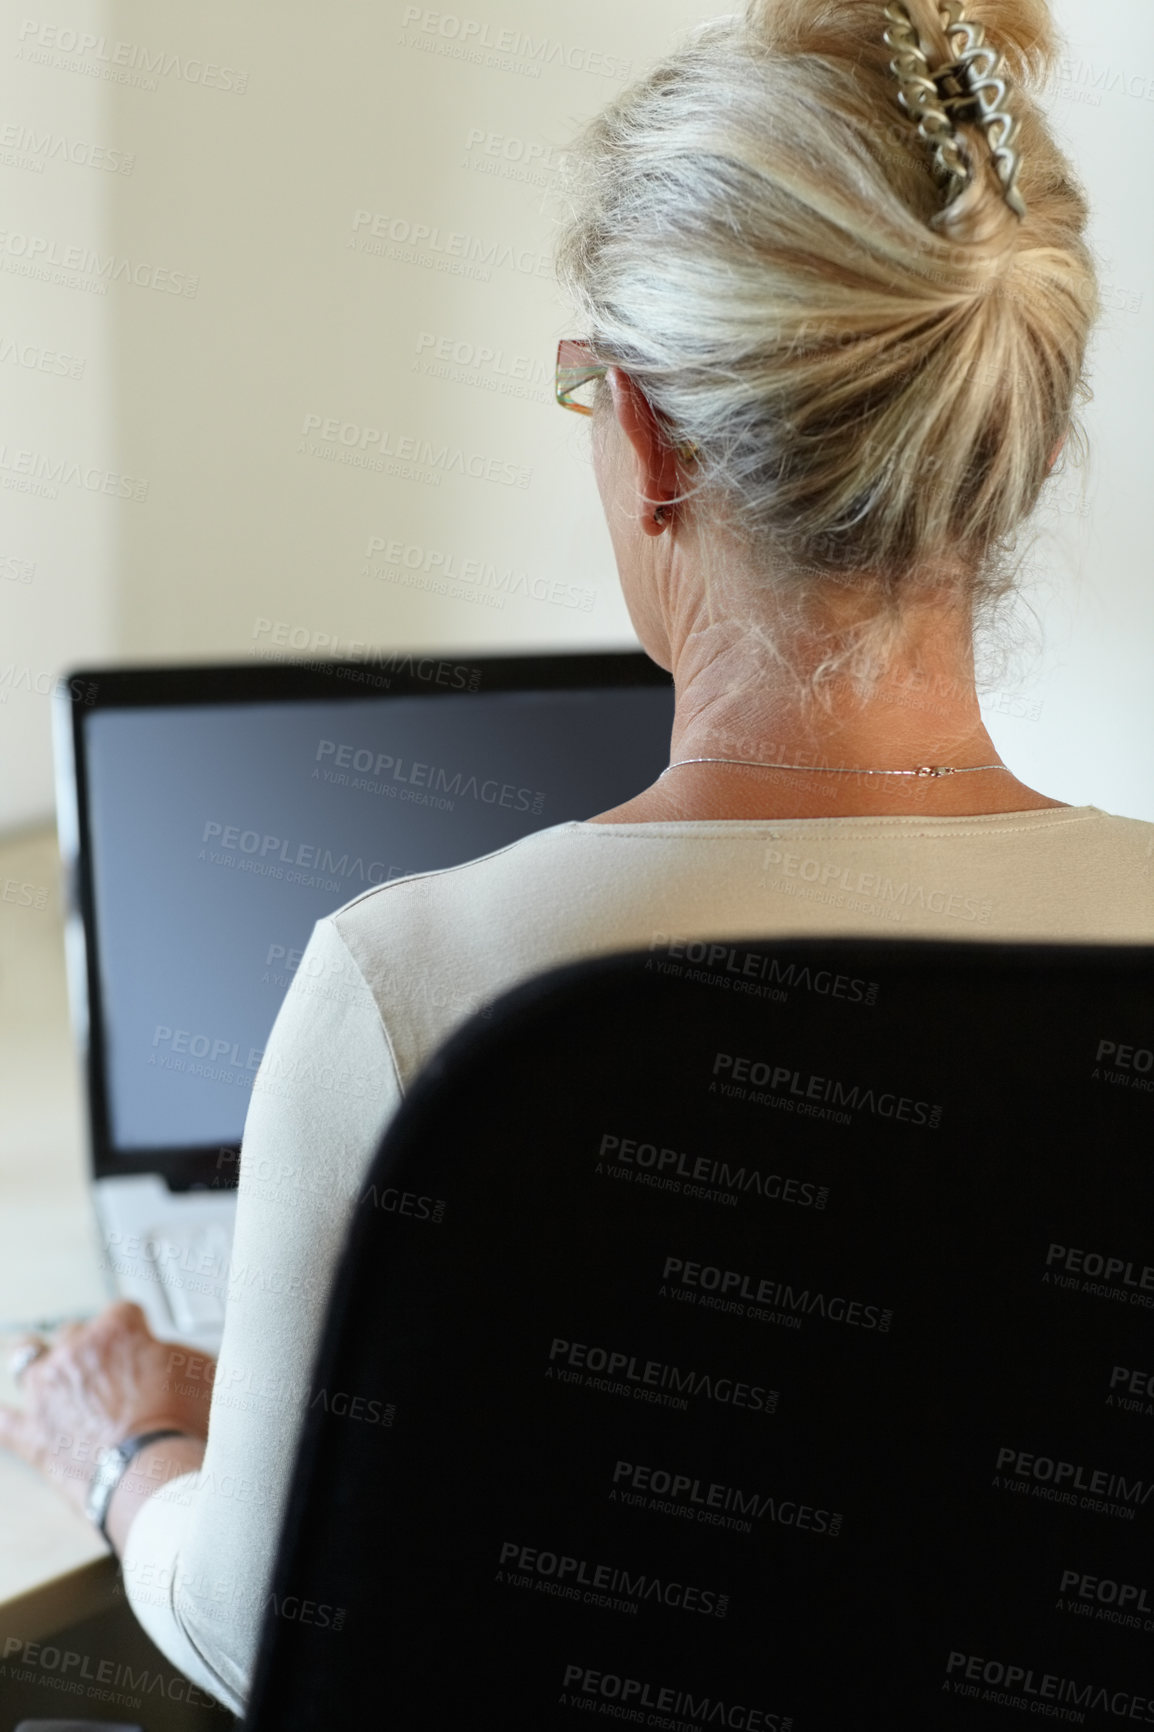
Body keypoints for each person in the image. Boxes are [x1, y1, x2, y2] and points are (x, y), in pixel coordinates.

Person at [2, 0, 1151, 1715]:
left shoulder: (417, 993)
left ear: (647, 440)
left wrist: (138, 1439)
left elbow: (270, 1631)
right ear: (1022, 454)